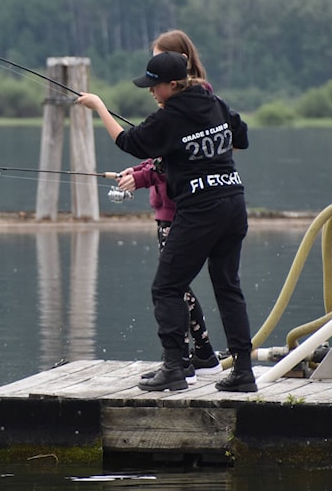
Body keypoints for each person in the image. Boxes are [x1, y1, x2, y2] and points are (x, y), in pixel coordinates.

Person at [76, 47, 256, 393]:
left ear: (173, 85)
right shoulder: (213, 103)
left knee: (167, 287)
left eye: (154, 86)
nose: (151, 92)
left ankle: (174, 368)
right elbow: (241, 138)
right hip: (234, 203)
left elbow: (128, 142)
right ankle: (244, 373)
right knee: (228, 287)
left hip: (201, 210)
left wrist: (98, 106)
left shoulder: (169, 117)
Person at [119, 30, 223, 381]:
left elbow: (175, 160)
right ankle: (199, 356)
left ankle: (192, 357)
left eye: (158, 59)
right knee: (176, 285)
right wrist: (139, 172)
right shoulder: (195, 101)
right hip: (177, 205)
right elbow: (164, 156)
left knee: (171, 285)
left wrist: (142, 175)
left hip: (182, 207)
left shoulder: (190, 105)